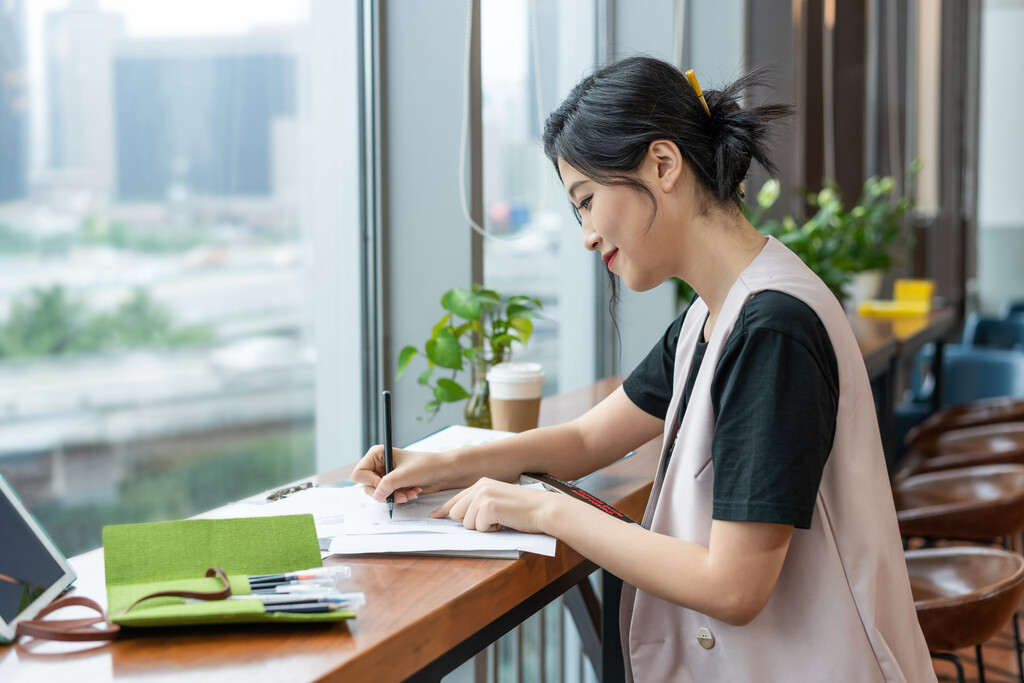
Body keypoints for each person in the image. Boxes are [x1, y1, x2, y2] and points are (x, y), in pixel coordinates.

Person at [352, 56, 935, 682]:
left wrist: (545, 509)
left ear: (663, 164)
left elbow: (735, 585)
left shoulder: (772, 329)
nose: (585, 235)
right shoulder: (711, 319)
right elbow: (584, 440)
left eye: (587, 200)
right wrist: (435, 466)